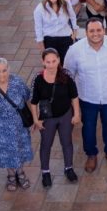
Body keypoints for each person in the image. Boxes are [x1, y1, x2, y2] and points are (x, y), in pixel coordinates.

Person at [64, 18, 107, 173]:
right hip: (87, 97)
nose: (96, 34)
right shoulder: (75, 50)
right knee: (89, 128)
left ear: (104, 30)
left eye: (99, 30)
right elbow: (68, 74)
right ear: (85, 32)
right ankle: (91, 154)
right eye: (91, 31)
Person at [29, 48, 80, 187]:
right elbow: (33, 102)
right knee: (46, 145)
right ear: (43, 62)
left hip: (65, 115)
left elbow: (74, 96)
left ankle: (68, 168)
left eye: (54, 61)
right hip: (47, 118)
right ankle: (45, 172)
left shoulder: (66, 75)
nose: (51, 65)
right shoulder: (38, 79)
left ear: (59, 60)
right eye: (48, 62)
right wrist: (35, 119)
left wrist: (76, 114)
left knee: (67, 143)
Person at [0, 58, 33, 192]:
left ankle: (20, 173)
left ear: (8, 69)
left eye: (4, 70)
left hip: (19, 125)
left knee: (21, 148)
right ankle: (11, 175)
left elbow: (27, 99)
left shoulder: (17, 82)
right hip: (0, 128)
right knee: (5, 152)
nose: (2, 74)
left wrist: (32, 118)